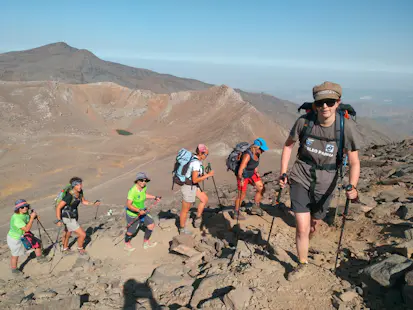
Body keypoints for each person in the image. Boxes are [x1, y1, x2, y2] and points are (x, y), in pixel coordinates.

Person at [279, 81, 360, 280]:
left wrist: (353, 187)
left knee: (314, 223)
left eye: (330, 102)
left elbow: (354, 162)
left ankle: (307, 240)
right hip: (300, 177)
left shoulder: (345, 127)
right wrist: (283, 172)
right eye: (320, 102)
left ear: (338, 103)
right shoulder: (304, 122)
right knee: (302, 226)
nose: (325, 106)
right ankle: (302, 262)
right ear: (314, 104)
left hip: (327, 184)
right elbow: (288, 146)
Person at [55, 177, 101, 255]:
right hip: (67, 217)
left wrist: (93, 204)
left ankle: (65, 248)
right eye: (77, 185)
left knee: (68, 232)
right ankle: (80, 248)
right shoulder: (69, 196)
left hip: (73, 215)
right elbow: (58, 207)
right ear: (73, 186)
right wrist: (59, 220)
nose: (80, 186)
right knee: (83, 234)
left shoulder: (80, 192)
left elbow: (83, 201)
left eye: (80, 184)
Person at [179, 144, 214, 234]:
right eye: (206, 154)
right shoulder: (196, 163)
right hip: (188, 187)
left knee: (204, 199)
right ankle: (182, 229)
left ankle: (198, 218)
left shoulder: (195, 159)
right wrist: (208, 175)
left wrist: (204, 174)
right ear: (201, 153)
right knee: (185, 210)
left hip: (193, 186)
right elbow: (195, 179)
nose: (206, 156)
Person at [7, 199, 48, 275]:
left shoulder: (25, 213)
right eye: (22, 207)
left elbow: (28, 219)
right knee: (15, 254)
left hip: (24, 234)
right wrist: (32, 218)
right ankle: (14, 270)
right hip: (15, 237)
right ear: (18, 209)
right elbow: (27, 228)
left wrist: (34, 216)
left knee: (37, 243)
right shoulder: (16, 218)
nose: (25, 208)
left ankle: (39, 258)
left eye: (26, 206)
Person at [124, 172, 161, 251]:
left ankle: (146, 243)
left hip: (142, 211)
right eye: (141, 180)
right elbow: (128, 205)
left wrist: (155, 197)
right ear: (137, 180)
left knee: (151, 225)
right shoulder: (132, 191)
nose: (143, 182)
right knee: (131, 231)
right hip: (133, 214)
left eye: (145, 181)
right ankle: (126, 244)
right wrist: (138, 210)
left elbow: (144, 195)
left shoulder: (144, 187)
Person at [234, 138, 269, 220]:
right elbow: (240, 170)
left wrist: (256, 172)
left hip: (252, 173)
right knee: (241, 195)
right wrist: (241, 179)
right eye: (262, 149)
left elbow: (254, 164)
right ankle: (236, 212)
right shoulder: (247, 155)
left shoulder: (257, 154)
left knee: (261, 187)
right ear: (257, 147)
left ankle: (255, 207)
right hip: (243, 175)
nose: (263, 151)